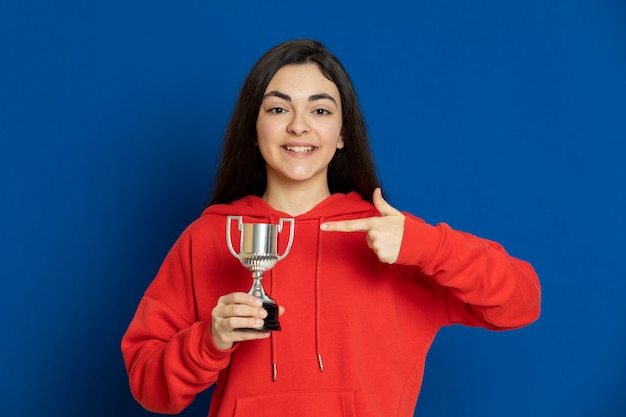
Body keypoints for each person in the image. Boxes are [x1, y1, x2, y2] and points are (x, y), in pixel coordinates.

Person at [121, 39, 541, 417]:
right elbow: (149, 386)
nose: (298, 126)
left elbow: (522, 301)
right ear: (254, 128)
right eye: (278, 108)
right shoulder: (210, 238)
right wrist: (209, 340)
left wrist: (429, 247)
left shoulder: (394, 239)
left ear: (342, 135)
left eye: (320, 110)